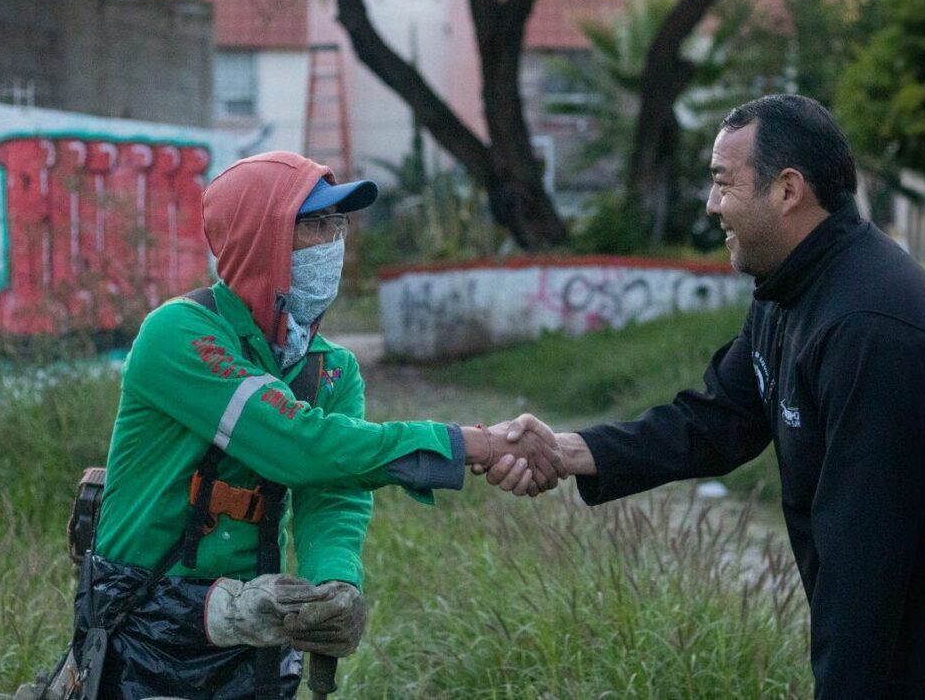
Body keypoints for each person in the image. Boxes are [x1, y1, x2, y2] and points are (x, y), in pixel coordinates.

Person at [490, 95, 925, 697]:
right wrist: (569, 451)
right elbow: (719, 417)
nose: (711, 206)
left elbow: (864, 557)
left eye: (723, 183)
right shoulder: (789, 289)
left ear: (787, 190)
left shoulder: (872, 328)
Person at [72, 151, 561, 699]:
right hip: (144, 623)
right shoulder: (179, 334)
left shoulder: (331, 368)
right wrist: (463, 443)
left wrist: (336, 582)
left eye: (337, 225)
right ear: (262, 237)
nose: (332, 243)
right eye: (312, 225)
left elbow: (331, 489)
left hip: (258, 625)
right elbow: (298, 445)